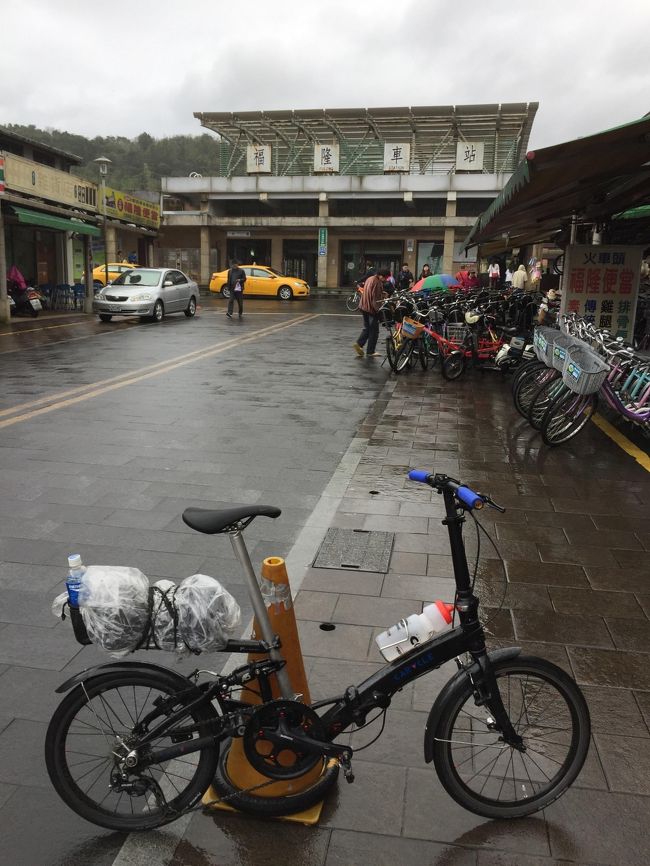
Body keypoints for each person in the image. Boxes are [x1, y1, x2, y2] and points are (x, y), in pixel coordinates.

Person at [353, 267, 389, 358]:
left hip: (363, 306)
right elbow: (375, 300)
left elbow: (370, 291)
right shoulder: (377, 282)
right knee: (374, 331)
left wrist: (382, 293)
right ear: (381, 276)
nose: (385, 280)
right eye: (385, 278)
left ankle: (359, 344)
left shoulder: (370, 278)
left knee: (367, 328)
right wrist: (378, 311)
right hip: (371, 309)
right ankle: (370, 351)